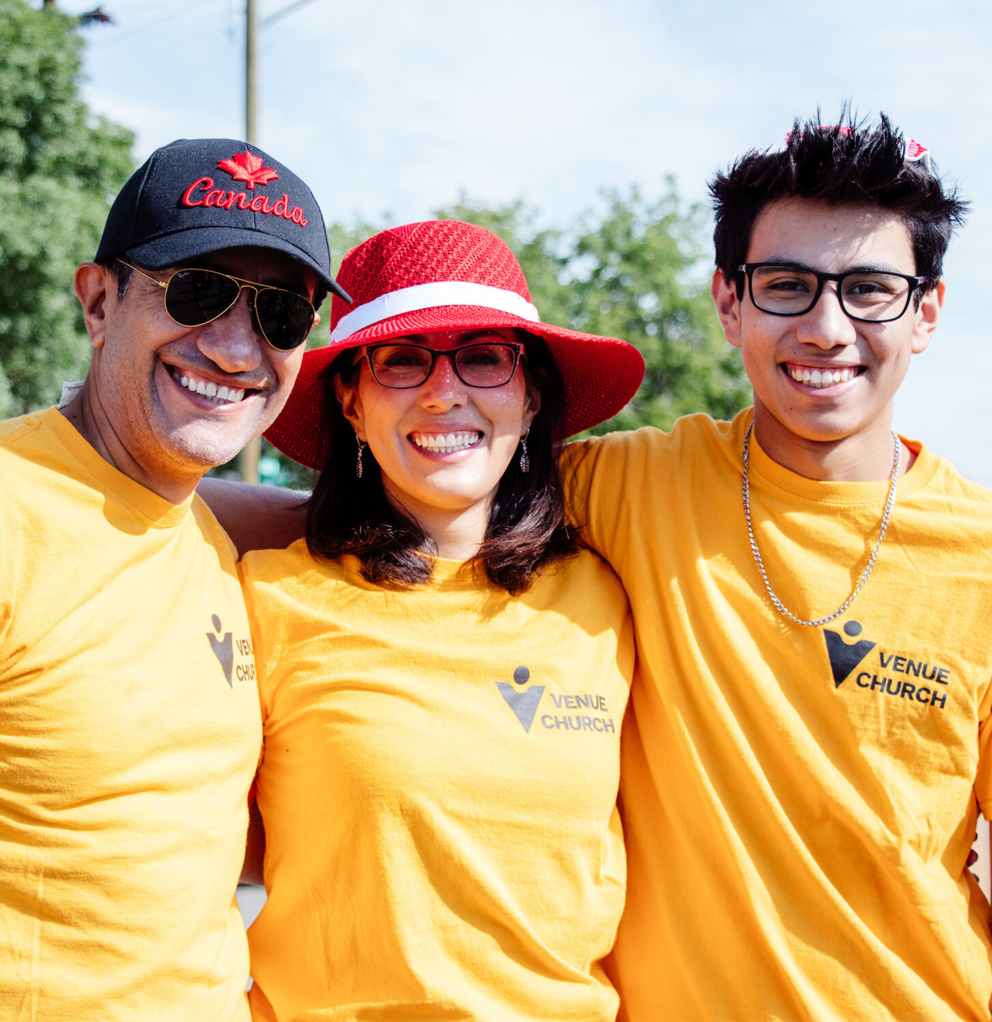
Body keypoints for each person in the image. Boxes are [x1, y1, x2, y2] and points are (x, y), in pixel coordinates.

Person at [560, 114, 992, 1020]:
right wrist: (184, 502)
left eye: (871, 289)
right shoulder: (627, 486)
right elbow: (403, 509)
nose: (828, 328)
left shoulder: (982, 557)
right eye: (788, 286)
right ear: (730, 303)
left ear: (927, 313)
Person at [236, 219, 645, 1020]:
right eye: (402, 360)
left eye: (484, 356)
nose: (443, 390)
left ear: (530, 398)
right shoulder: (266, 600)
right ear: (350, 401)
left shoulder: (612, 596)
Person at [0, 137, 349, 1020]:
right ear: (97, 300)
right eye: (195, 290)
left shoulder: (213, 537)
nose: (237, 348)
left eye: (282, 316)